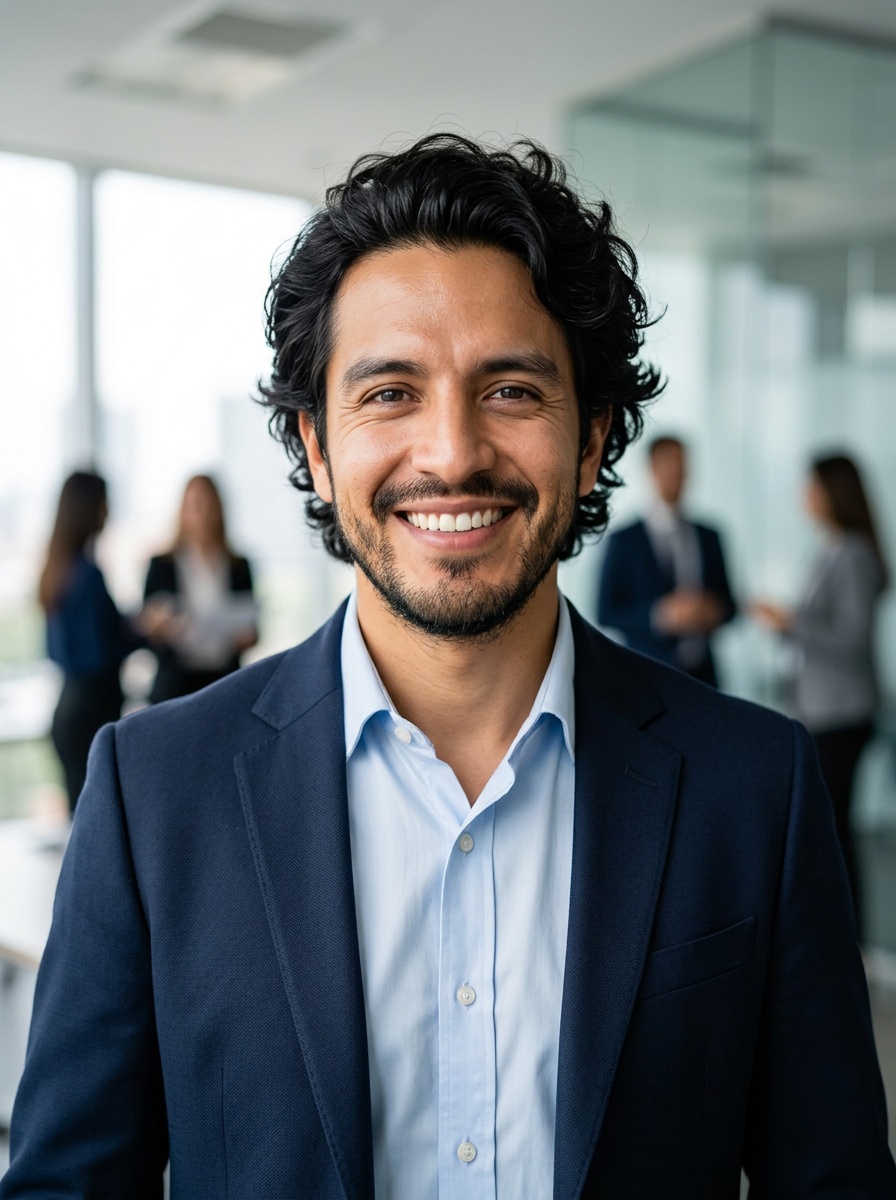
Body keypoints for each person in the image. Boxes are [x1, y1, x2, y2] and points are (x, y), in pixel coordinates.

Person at [3, 136, 894, 1199]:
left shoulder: (751, 785)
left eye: (510, 389)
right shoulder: (156, 792)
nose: (450, 452)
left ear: (591, 435)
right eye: (388, 392)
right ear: (317, 446)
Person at [752, 453, 888, 943]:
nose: (805, 497)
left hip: (843, 713)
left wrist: (790, 622)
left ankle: (851, 942)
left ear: (834, 491)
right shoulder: (830, 550)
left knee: (836, 831)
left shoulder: (852, 553)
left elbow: (850, 638)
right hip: (822, 710)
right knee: (829, 827)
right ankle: (841, 937)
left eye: (812, 487)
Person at [597, 435, 736, 686]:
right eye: (669, 464)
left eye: (682, 466)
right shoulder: (625, 539)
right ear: (652, 470)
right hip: (645, 676)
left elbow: (732, 606)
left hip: (703, 677)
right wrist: (659, 616)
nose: (677, 473)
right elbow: (605, 611)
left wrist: (712, 610)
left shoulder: (710, 535)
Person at [37, 470, 136, 816]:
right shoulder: (88, 574)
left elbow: (53, 650)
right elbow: (101, 653)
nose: (107, 512)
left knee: (80, 826)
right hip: (91, 713)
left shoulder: (56, 569)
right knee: (97, 825)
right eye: (103, 503)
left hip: (67, 708)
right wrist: (143, 633)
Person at [141, 474, 258, 702]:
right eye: (194, 506)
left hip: (224, 681)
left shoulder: (239, 566)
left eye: (208, 505)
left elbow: (253, 630)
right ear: (182, 512)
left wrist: (238, 633)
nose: (202, 514)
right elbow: (146, 625)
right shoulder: (162, 565)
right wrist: (160, 624)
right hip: (175, 684)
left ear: (220, 509)